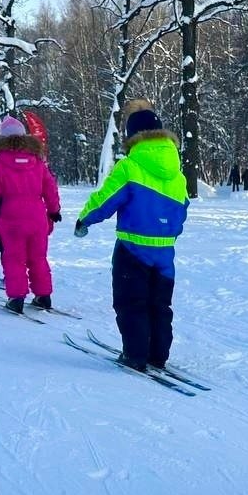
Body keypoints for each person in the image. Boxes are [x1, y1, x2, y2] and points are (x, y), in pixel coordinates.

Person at [74, 99, 188, 371]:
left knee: (131, 302)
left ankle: (135, 355)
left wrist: (84, 219)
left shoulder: (129, 167)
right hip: (164, 252)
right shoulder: (178, 174)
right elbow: (182, 209)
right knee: (160, 306)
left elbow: (105, 199)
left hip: (132, 248)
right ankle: (158, 356)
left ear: (132, 137)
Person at [0, 116, 61, 313]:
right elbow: (50, 187)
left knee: (14, 258)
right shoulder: (38, 163)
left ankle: (16, 297)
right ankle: (43, 296)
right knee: (38, 257)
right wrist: (54, 210)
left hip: (11, 218)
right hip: (37, 217)